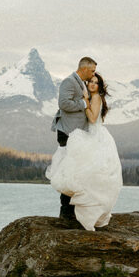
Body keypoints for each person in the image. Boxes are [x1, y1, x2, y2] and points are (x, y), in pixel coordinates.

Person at [46, 69, 123, 230]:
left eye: (96, 82)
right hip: (90, 135)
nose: (93, 84)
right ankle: (74, 211)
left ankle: (78, 211)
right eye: (91, 82)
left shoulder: (94, 98)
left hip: (95, 137)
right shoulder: (91, 96)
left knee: (83, 172)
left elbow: (93, 118)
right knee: (84, 174)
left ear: (100, 86)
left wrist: (85, 102)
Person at [50, 57, 97, 221]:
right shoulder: (69, 82)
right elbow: (64, 104)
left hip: (77, 135)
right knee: (68, 171)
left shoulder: (82, 83)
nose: (93, 74)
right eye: (92, 71)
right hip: (68, 133)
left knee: (76, 171)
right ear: (84, 68)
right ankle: (66, 212)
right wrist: (84, 104)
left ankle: (73, 211)